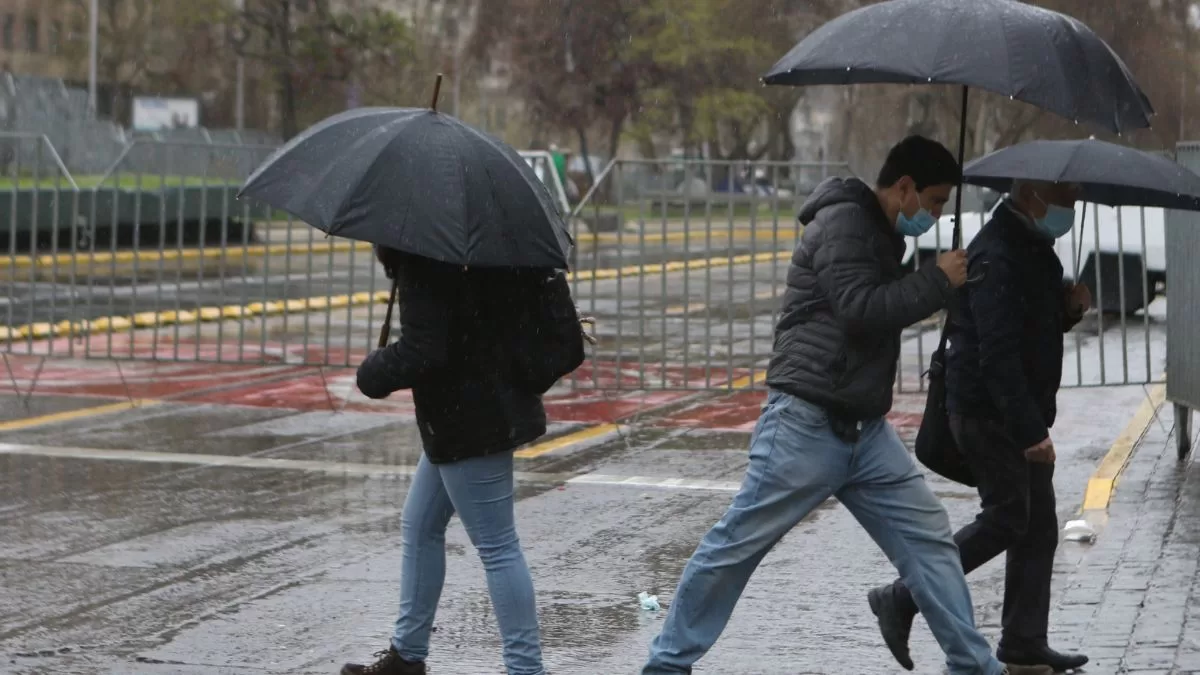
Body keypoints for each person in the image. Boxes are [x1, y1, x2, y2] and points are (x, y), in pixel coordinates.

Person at [640, 135, 1009, 675]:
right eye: (931, 201)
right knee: (735, 547)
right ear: (903, 187)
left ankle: (974, 665)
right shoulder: (843, 224)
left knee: (929, 539)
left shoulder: (881, 234)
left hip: (864, 431)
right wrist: (934, 280)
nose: (932, 214)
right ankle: (668, 664)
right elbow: (860, 309)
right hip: (805, 423)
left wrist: (941, 284)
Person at [869, 179, 1091, 673]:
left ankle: (1024, 643)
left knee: (1037, 528)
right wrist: (1031, 432)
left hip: (1013, 407)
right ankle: (902, 597)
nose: (1069, 211)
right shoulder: (996, 252)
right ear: (1032, 194)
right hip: (985, 409)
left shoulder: (1033, 246)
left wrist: (1067, 309)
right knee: (1010, 516)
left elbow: (1030, 323)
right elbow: (997, 353)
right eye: (1065, 200)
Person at [340, 247, 559, 675]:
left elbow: (425, 349)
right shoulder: (480, 238)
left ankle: (527, 670)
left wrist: (373, 372)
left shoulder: (427, 253)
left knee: (498, 547)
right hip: (475, 408)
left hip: (471, 417)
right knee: (420, 524)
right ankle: (407, 655)